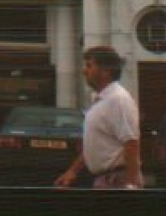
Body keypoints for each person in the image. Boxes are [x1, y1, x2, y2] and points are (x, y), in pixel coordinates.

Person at [54, 46, 143, 189]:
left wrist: (131, 185)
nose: (84, 71)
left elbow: (131, 143)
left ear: (106, 70)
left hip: (117, 180)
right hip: (105, 180)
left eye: (89, 66)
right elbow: (94, 145)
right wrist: (72, 172)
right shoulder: (100, 101)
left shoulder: (118, 100)